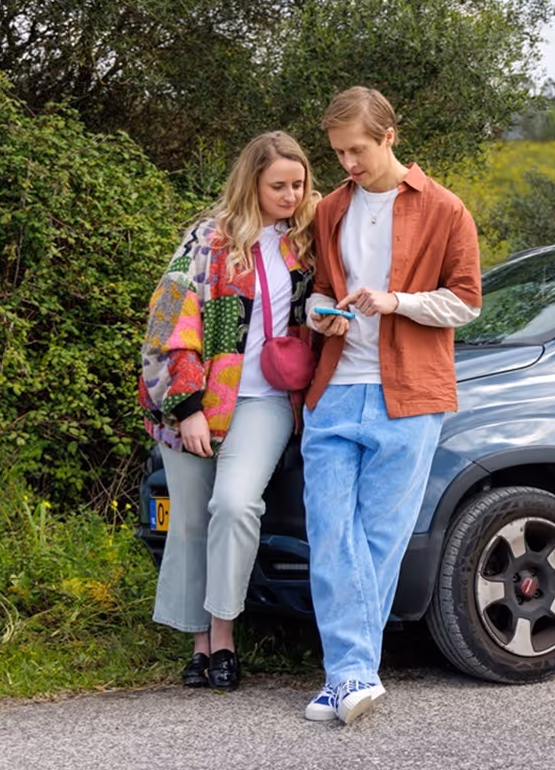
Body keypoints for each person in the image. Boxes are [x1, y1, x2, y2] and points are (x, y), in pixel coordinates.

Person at [301, 87, 482, 723]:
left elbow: (466, 301)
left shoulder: (446, 208)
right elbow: (321, 288)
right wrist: (321, 314)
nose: (348, 164)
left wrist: (396, 302)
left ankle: (345, 677)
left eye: (357, 150)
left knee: (380, 539)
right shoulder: (330, 208)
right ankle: (355, 674)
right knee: (330, 531)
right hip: (334, 389)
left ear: (389, 137)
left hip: (409, 393)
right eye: (338, 153)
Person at [138, 131, 317, 691]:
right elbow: (170, 318)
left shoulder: (306, 242)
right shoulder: (207, 239)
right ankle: (198, 644)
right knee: (190, 521)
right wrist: (187, 406)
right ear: (252, 182)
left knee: (235, 505)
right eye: (278, 185)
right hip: (199, 400)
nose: (291, 195)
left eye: (299, 184)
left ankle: (224, 635)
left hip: (267, 400)